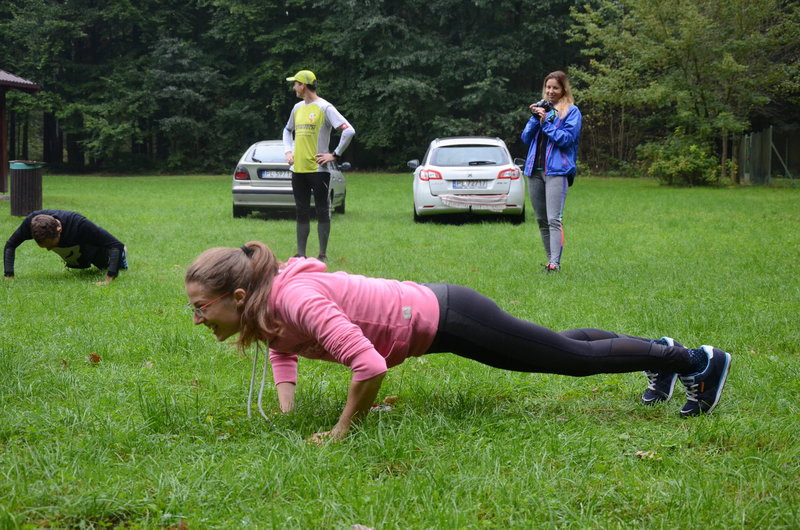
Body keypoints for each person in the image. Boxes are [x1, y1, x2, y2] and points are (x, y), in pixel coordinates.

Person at [184, 241, 732, 443]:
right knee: (556, 346)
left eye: (201, 307)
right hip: (437, 320)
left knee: (570, 360)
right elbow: (283, 349)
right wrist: (286, 412)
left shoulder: (295, 297)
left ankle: (695, 360)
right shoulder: (270, 307)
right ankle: (657, 350)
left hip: (449, 316)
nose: (197, 318)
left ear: (237, 295)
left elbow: (369, 365)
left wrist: (341, 430)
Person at [282, 69, 355, 263]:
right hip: (298, 170)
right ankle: (301, 254)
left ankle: (322, 254)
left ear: (303, 86)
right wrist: (288, 151)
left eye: (295, 84)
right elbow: (287, 130)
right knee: (301, 211)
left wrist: (334, 154)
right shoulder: (297, 108)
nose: (293, 88)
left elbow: (349, 131)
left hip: (318, 170)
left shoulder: (325, 107)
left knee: (322, 210)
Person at [521, 70, 582, 272]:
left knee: (554, 219)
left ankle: (555, 264)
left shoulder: (571, 112)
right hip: (534, 171)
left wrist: (546, 122)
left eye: (555, 87)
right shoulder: (542, 109)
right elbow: (525, 138)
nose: (550, 91)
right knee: (541, 220)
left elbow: (566, 139)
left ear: (563, 89)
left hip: (557, 171)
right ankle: (550, 261)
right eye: (548, 87)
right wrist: (535, 118)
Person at [4, 209, 127, 285]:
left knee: (104, 264)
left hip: (94, 250)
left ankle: (122, 257)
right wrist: (9, 276)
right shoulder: (32, 223)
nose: (49, 249)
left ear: (59, 229)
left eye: (50, 245)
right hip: (75, 252)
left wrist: (108, 279)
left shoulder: (79, 224)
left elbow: (116, 245)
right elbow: (10, 245)